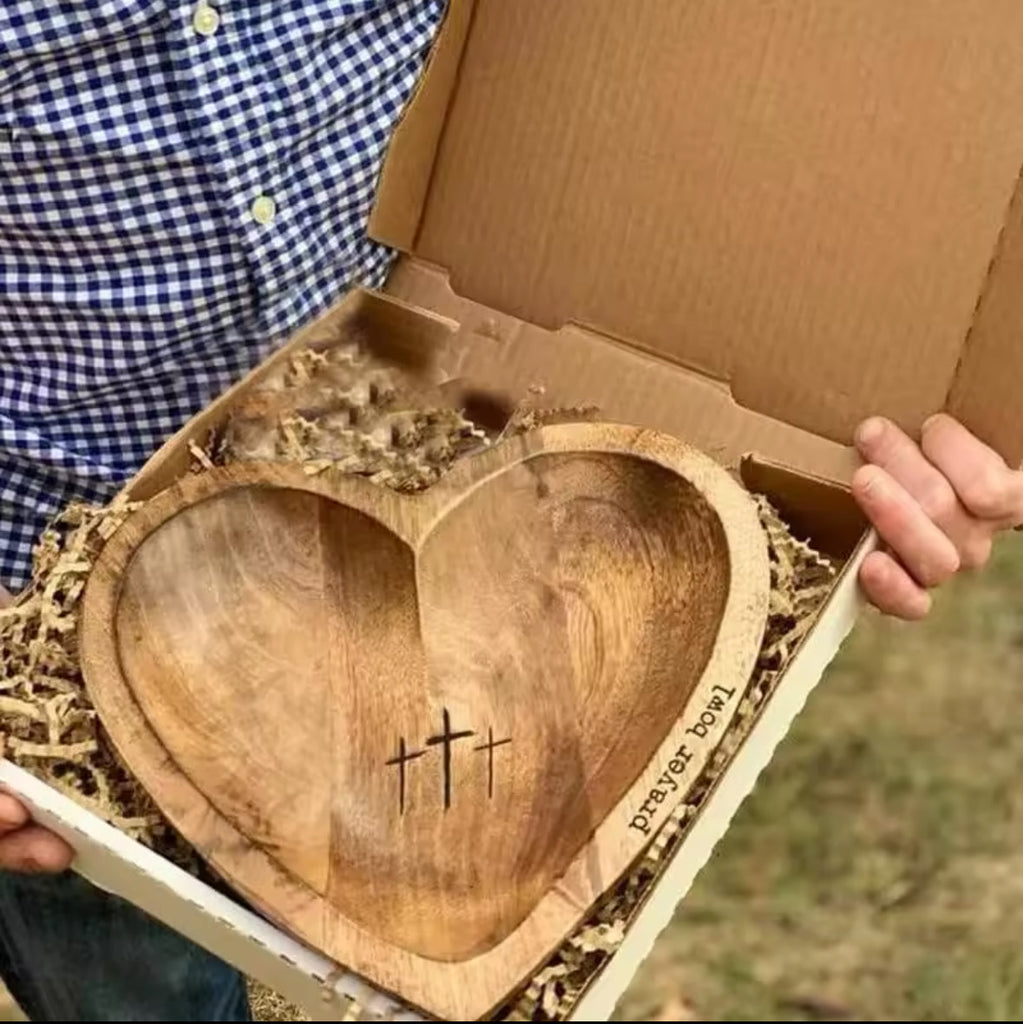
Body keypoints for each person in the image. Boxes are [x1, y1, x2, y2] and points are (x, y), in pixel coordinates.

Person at [2, 2, 1022, 1020]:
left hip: (400, 410)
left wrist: (927, 367)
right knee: (130, 973)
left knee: (514, 782)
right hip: (42, 558)